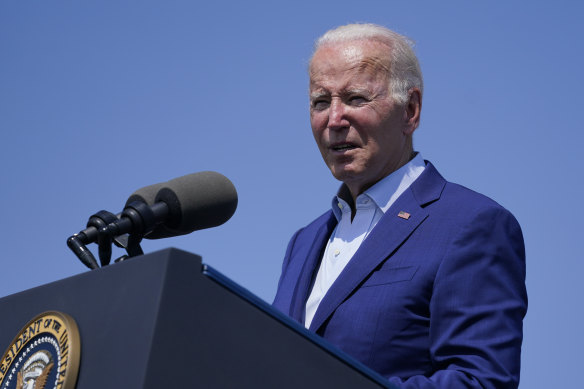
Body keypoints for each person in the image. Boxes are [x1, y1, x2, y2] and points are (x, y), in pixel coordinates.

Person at [273, 23, 527, 389]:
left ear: (410, 110)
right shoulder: (304, 242)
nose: (334, 119)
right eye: (320, 102)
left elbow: (481, 381)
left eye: (356, 98)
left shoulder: (471, 224)